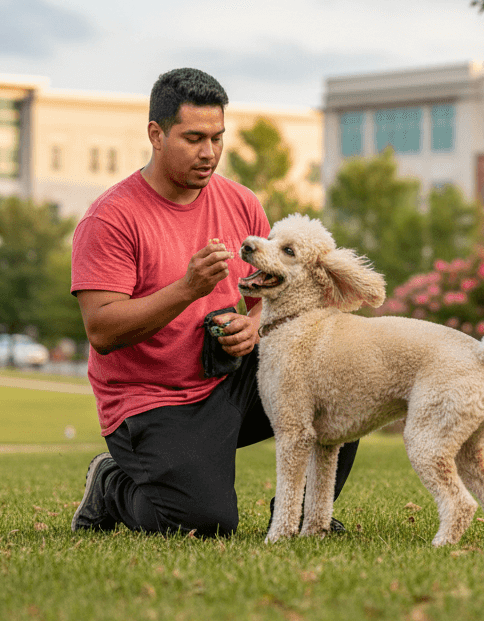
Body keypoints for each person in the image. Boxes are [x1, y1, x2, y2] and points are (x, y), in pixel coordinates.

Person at [69, 67, 356, 537]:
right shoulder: (111, 218)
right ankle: (112, 485)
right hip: (152, 401)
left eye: (217, 138)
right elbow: (101, 330)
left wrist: (255, 324)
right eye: (194, 139)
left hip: (230, 380)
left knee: (340, 375)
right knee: (204, 523)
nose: (209, 153)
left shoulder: (240, 202)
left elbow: (272, 294)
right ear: (156, 135)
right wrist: (187, 289)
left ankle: (302, 514)